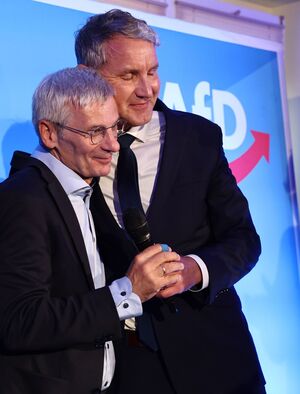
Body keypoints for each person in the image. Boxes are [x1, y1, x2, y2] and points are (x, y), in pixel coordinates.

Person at [74, 9, 266, 394]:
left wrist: (195, 270)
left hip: (220, 362)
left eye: (152, 71)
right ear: (89, 76)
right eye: (129, 75)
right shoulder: (69, 153)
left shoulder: (199, 138)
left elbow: (244, 240)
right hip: (127, 370)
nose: (147, 88)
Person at [0, 67, 184, 394]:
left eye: (114, 127)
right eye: (96, 132)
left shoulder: (82, 189)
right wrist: (127, 292)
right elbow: (20, 320)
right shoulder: (22, 200)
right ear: (49, 133)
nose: (113, 145)